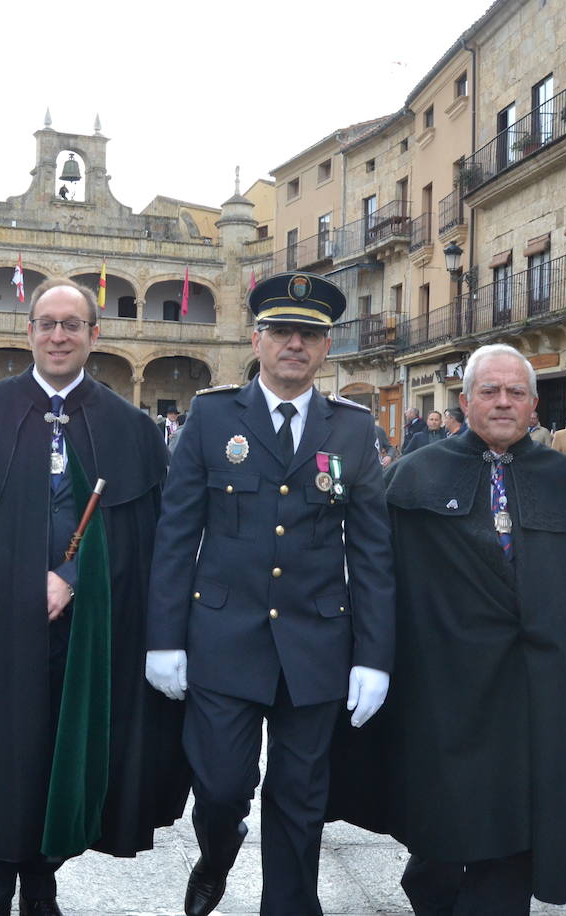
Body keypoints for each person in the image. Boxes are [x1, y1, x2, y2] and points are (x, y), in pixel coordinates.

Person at [328, 343, 566, 913]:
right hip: (444, 690)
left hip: (534, 691)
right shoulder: (412, 477)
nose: (503, 402)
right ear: (465, 400)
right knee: (442, 826)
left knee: (513, 828)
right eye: (490, 391)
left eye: (516, 392)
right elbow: (380, 583)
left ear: (533, 406)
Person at [0, 277, 190, 916]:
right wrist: (16, 579)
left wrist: (74, 577)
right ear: (27, 330)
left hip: (86, 630)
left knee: (67, 753)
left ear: (94, 334)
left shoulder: (129, 428)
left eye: (72, 324)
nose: (58, 335)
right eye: (46, 323)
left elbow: (136, 539)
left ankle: (43, 882)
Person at [146, 272, 395, 916]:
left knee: (301, 793)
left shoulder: (351, 429)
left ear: (325, 347)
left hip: (315, 640)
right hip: (225, 638)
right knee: (223, 785)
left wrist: (374, 654)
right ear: (257, 340)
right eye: (282, 331)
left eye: (309, 334)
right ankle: (218, 848)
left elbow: (370, 550)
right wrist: (164, 638)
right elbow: (177, 534)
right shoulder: (211, 416)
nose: (295, 344)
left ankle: (289, 906)